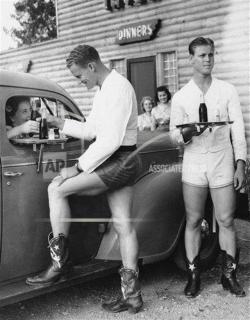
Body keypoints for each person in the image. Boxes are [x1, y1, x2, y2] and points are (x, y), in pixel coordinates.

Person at [26, 44, 143, 314]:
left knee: (57, 188)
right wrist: (59, 122)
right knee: (124, 224)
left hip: (118, 160)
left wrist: (76, 168)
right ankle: (132, 296)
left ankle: (59, 263)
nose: (82, 81)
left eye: (81, 76)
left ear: (91, 66)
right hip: (120, 160)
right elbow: (92, 130)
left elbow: (110, 141)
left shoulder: (118, 88)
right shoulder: (105, 89)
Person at [170, 37, 247, 298]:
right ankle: (193, 275)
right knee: (193, 220)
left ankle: (229, 275)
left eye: (210, 55)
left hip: (222, 160)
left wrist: (241, 164)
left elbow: (238, 131)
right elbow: (174, 135)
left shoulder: (227, 90)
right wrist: (188, 132)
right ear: (191, 59)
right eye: (202, 55)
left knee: (226, 219)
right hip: (194, 163)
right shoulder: (181, 96)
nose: (207, 59)